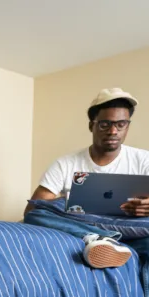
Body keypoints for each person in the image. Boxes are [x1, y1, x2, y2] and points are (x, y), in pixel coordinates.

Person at [29, 88, 149, 268]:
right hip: (84, 225)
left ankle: (106, 242)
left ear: (127, 126)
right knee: (36, 214)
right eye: (104, 124)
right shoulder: (65, 163)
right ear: (91, 125)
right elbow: (34, 207)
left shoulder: (144, 159)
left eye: (121, 124)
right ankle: (100, 239)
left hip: (130, 227)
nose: (113, 131)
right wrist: (73, 200)